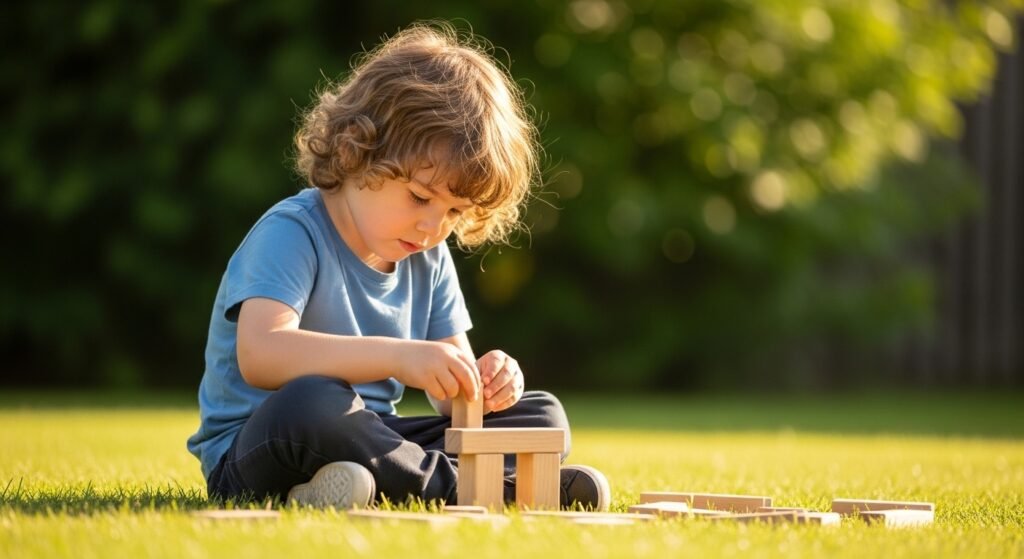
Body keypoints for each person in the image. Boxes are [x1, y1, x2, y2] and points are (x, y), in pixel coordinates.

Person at [186, 22, 610, 511]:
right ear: (357, 150)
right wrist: (398, 357)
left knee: (543, 415)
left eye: (454, 211)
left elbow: (452, 400)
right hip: (263, 445)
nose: (433, 227)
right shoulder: (292, 231)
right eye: (419, 197)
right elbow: (261, 354)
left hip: (372, 440)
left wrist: (486, 384)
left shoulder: (427, 254)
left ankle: (360, 485)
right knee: (314, 402)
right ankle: (495, 489)